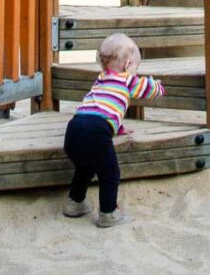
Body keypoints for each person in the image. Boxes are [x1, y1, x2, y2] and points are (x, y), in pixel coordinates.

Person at [62, 31, 165, 228]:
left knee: (85, 167)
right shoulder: (127, 79)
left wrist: (117, 127)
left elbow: (104, 109)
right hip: (96, 131)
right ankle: (108, 213)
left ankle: (74, 203)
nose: (135, 70)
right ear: (127, 66)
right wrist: (158, 87)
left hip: (75, 128)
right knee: (110, 174)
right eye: (136, 66)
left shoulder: (100, 80)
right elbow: (146, 88)